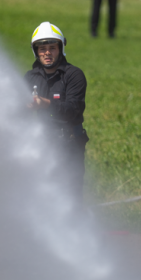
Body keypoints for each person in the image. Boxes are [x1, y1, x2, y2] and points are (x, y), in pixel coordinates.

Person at [24, 22, 88, 205]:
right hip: (41, 143)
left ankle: (74, 230)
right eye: (42, 48)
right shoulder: (30, 78)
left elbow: (74, 109)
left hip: (69, 143)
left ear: (60, 48)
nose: (47, 53)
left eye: (52, 48)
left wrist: (46, 105)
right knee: (41, 194)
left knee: (69, 194)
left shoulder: (74, 75)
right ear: (35, 51)